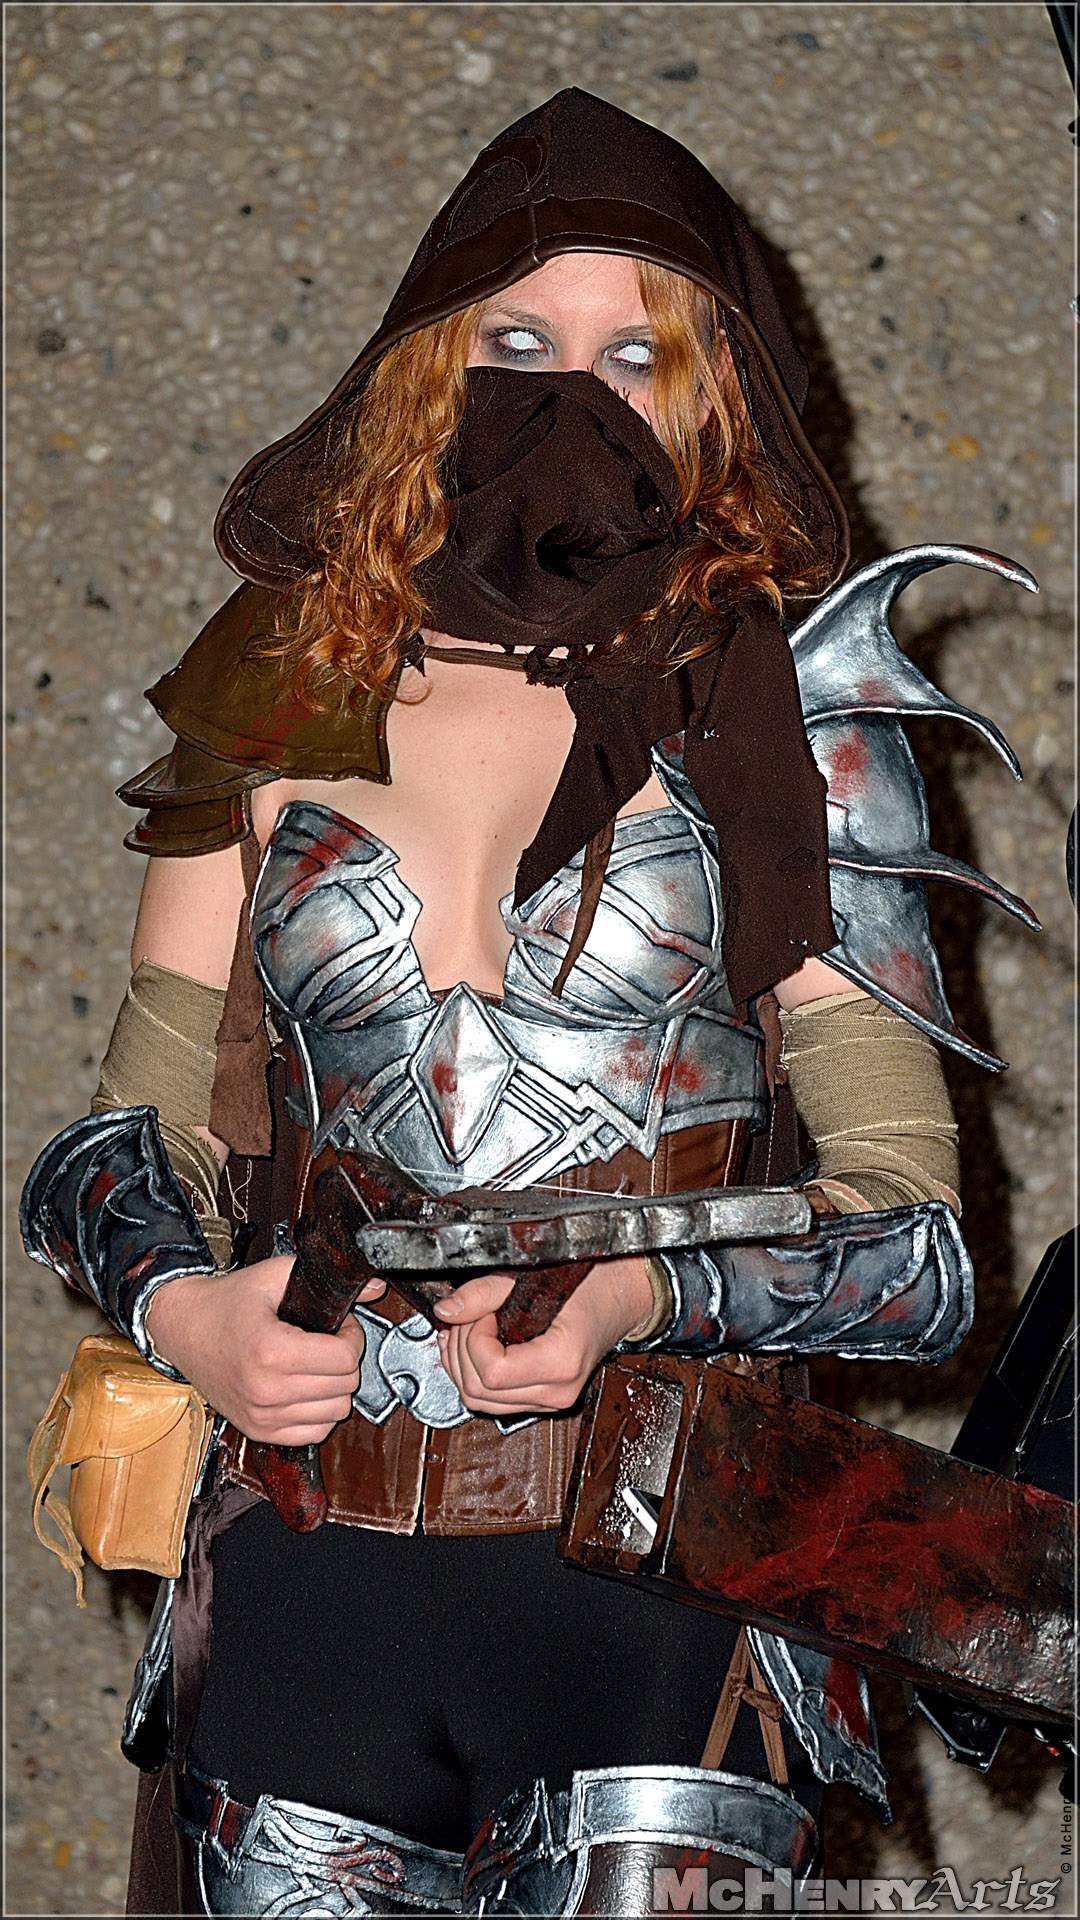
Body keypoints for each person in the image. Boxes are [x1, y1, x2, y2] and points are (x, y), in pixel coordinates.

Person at [20, 89, 1032, 1916]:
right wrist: (187, 1310)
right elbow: (118, 1138)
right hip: (310, 1584)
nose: (573, 397)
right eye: (516, 345)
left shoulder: (790, 719)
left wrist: (646, 1290)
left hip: (652, 1605)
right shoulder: (283, 680)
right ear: (431, 365)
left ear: (713, 395)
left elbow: (918, 1252)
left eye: (636, 354)